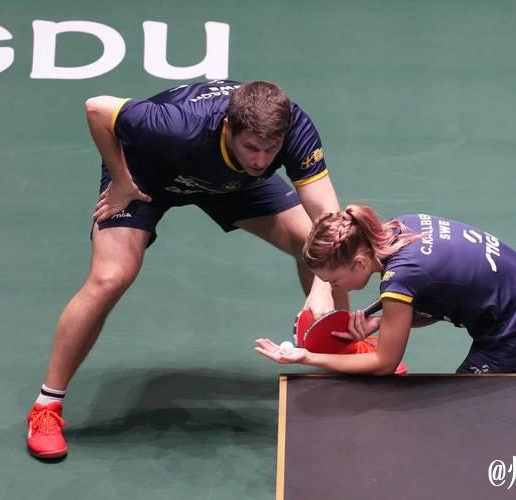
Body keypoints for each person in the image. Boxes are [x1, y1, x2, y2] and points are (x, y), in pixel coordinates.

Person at [26, 80, 348, 459]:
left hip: (234, 183)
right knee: (111, 277)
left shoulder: (291, 126)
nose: (262, 160)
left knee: (316, 241)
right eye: (251, 147)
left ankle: (343, 351)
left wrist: (322, 286)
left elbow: (330, 221)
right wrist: (121, 180)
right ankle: (46, 406)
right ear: (228, 127)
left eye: (270, 149)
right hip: (148, 177)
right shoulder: (176, 125)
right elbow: (97, 108)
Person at [255, 204, 516, 375]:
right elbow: (440, 298)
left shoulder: (399, 279)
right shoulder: (400, 227)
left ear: (359, 263)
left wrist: (308, 358)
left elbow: (384, 364)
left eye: (334, 280)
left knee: (467, 420)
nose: (335, 287)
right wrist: (381, 322)